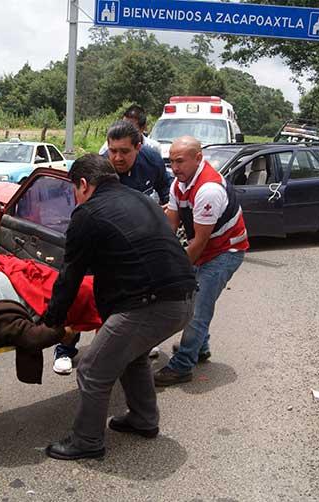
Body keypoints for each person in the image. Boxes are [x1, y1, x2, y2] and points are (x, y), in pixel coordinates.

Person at [41, 154, 196, 460]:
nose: (75, 196)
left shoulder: (88, 213)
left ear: (83, 184)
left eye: (74, 189)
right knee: (132, 356)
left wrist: (52, 321)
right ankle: (143, 419)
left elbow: (70, 275)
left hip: (151, 304)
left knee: (91, 369)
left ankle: (87, 441)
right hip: (185, 297)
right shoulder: (141, 199)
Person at [51, 120, 171, 375]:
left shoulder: (153, 163)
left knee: (112, 304)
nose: (117, 157)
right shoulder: (100, 167)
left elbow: (165, 195)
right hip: (98, 240)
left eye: (124, 152)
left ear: (138, 147)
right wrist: (52, 319)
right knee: (81, 292)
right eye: (113, 150)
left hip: (130, 250)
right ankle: (65, 348)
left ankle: (108, 349)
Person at [153, 136, 249, 386]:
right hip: (208, 247)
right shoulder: (179, 184)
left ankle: (183, 365)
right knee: (197, 302)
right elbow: (171, 225)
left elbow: (198, 243)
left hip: (226, 252)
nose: (174, 168)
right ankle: (201, 348)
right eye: (171, 161)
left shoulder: (208, 190)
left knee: (197, 308)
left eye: (180, 161)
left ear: (198, 159)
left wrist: (175, 273)